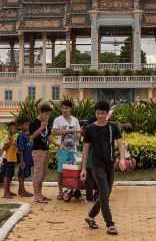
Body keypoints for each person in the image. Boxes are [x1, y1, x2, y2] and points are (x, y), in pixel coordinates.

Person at [80, 100, 126, 236]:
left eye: (103, 113)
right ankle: (110, 224)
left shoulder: (113, 127)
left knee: (105, 194)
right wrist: (83, 168)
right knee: (105, 194)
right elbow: (86, 148)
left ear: (107, 114)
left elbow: (120, 144)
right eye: (98, 113)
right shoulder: (90, 128)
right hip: (97, 165)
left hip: (110, 164)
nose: (100, 116)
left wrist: (122, 159)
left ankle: (90, 216)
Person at [52, 99, 81, 200]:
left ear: (70, 109)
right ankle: (60, 191)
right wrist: (67, 131)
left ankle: (71, 189)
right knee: (61, 170)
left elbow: (78, 132)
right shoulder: (58, 120)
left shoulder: (75, 120)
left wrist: (77, 136)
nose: (64, 110)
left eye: (66, 108)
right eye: (63, 108)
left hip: (73, 149)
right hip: (62, 148)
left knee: (73, 169)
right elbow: (54, 132)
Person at [29, 104, 56, 203]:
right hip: (37, 151)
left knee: (43, 174)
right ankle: (36, 196)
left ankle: (40, 194)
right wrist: (41, 127)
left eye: (49, 115)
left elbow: (47, 136)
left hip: (45, 149)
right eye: (46, 114)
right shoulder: (34, 123)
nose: (47, 116)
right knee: (38, 174)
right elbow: (31, 136)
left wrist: (58, 144)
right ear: (40, 112)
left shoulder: (45, 122)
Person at [16, 116, 33, 197]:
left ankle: (21, 190)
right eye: (26, 125)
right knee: (21, 175)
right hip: (24, 159)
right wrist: (22, 160)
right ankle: (22, 191)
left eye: (28, 125)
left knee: (24, 175)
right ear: (21, 125)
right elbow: (20, 149)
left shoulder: (26, 135)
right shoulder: (21, 136)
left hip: (28, 158)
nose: (28, 126)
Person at [2, 121, 18, 199]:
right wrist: (10, 143)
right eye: (14, 128)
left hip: (12, 159)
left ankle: (8, 191)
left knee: (10, 176)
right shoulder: (6, 137)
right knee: (7, 176)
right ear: (10, 128)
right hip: (7, 159)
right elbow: (3, 148)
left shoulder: (13, 137)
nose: (16, 130)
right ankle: (5, 192)